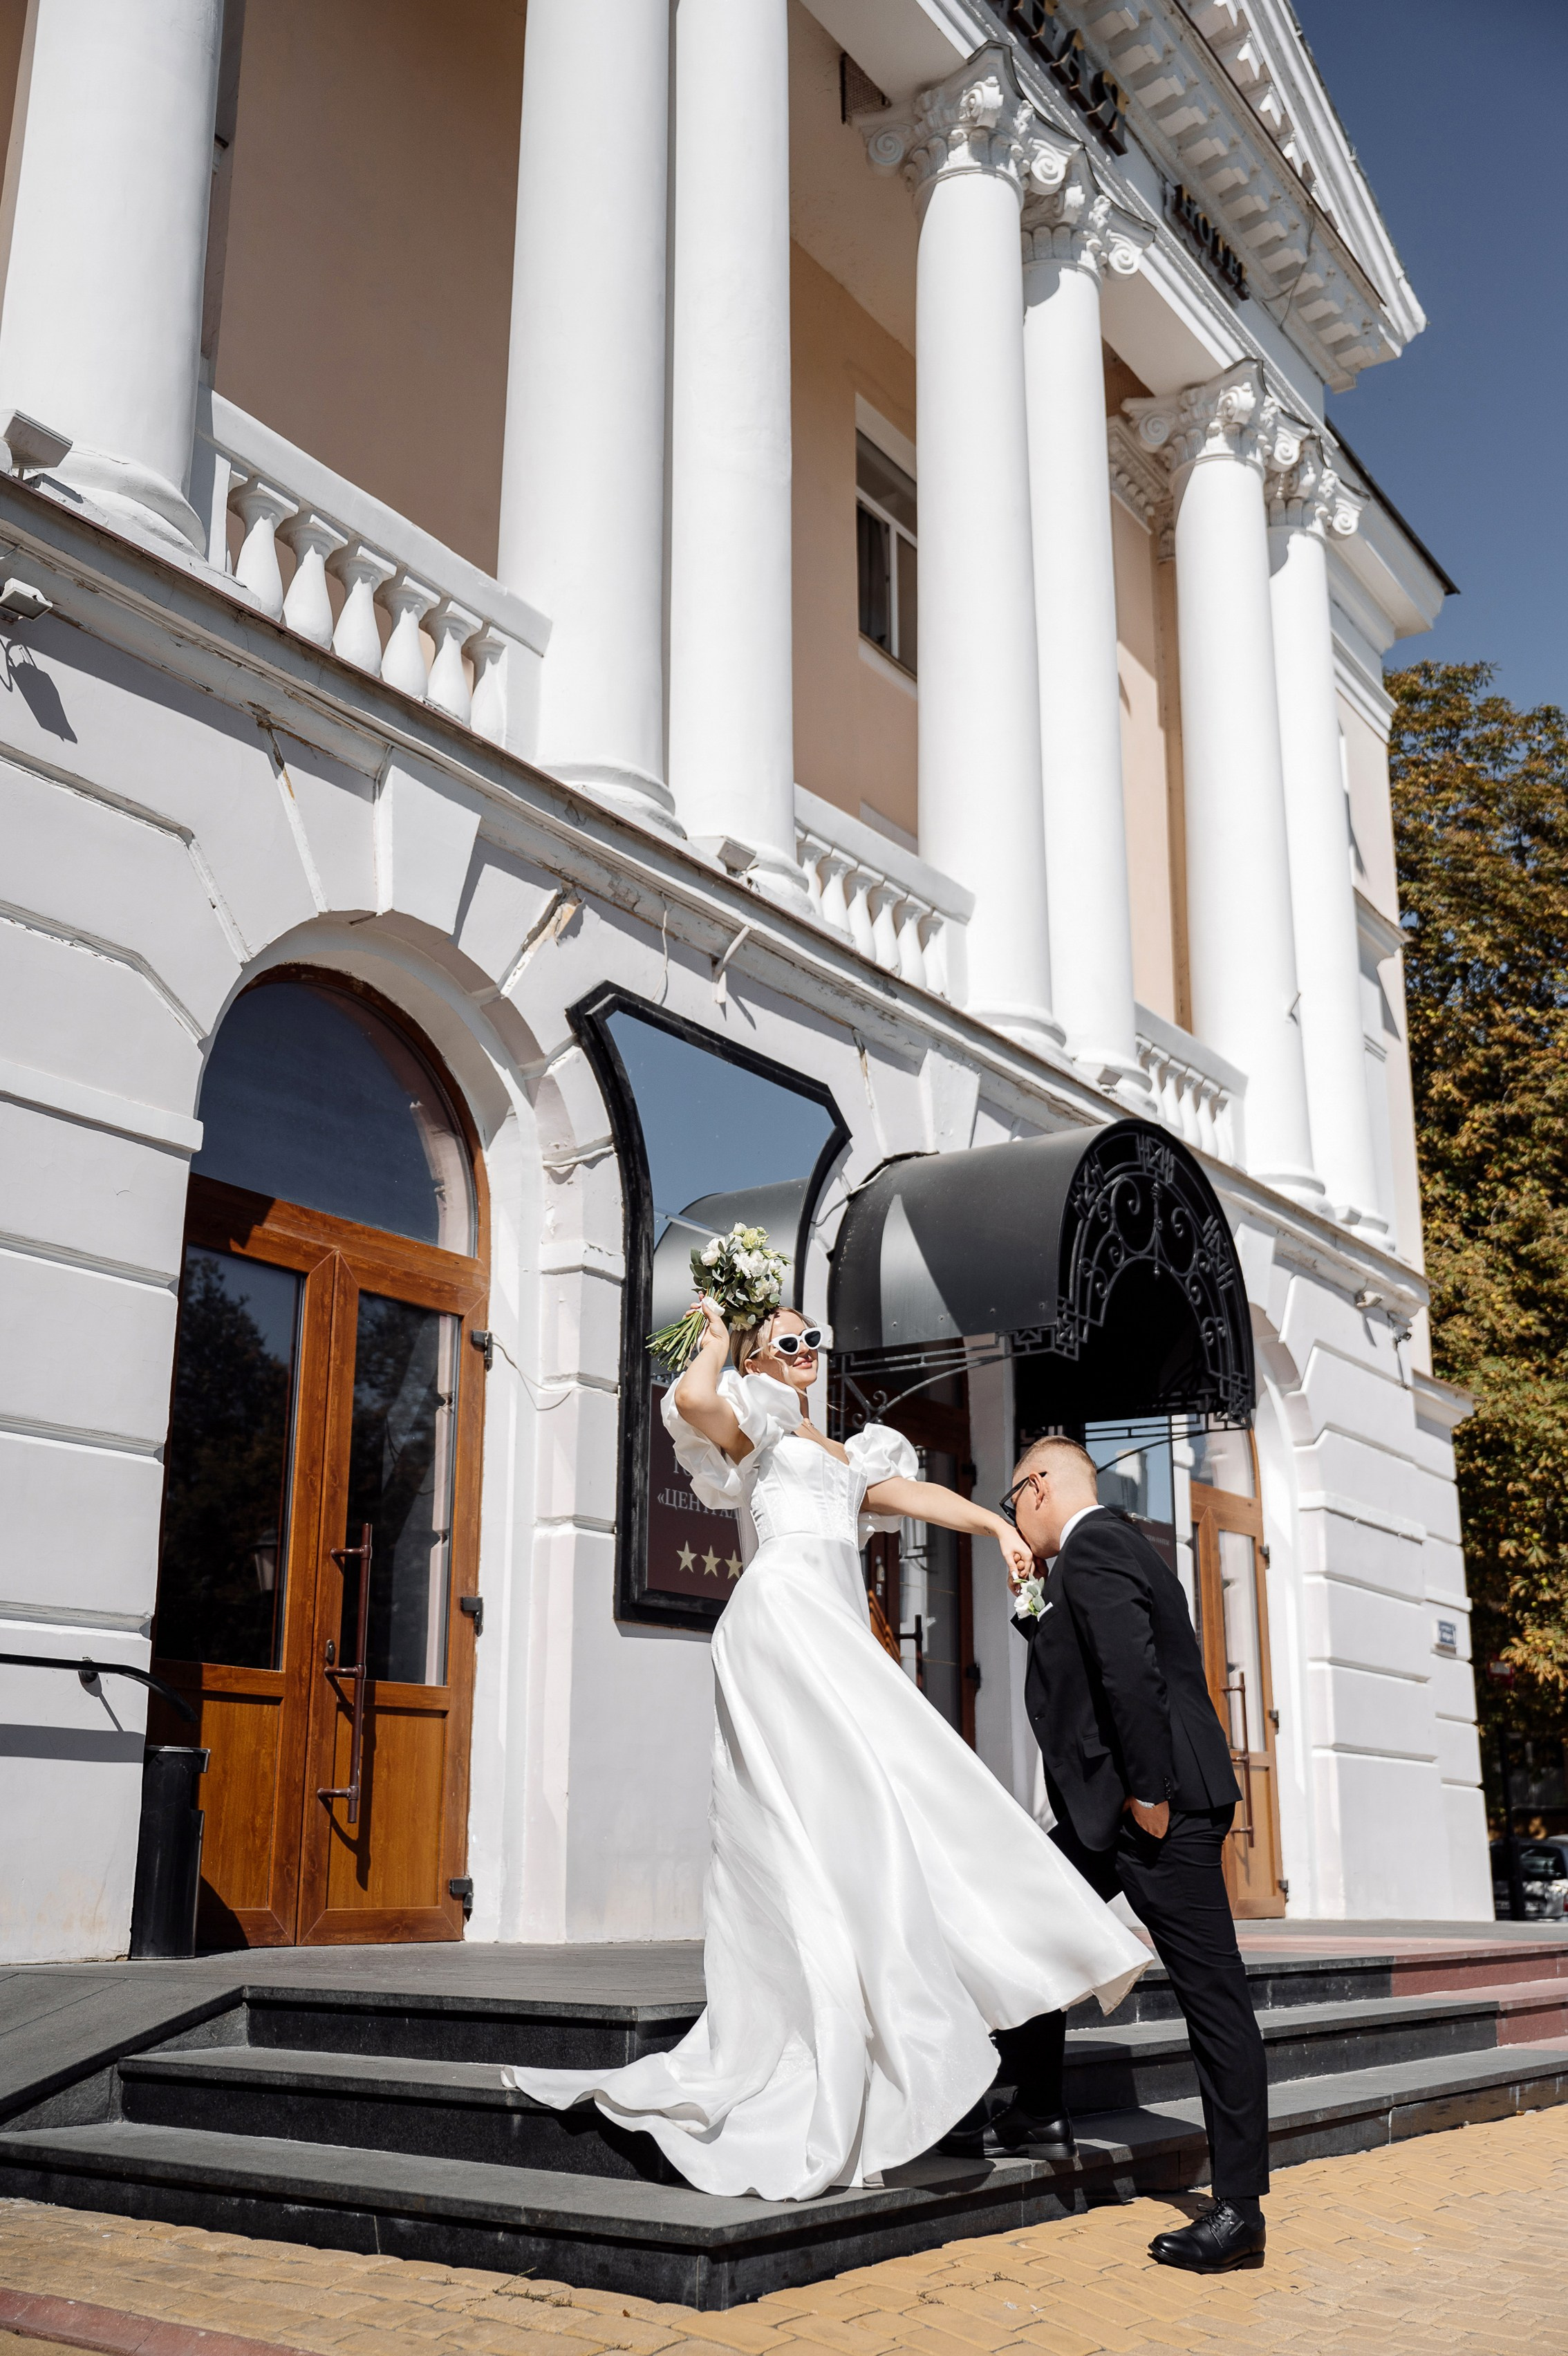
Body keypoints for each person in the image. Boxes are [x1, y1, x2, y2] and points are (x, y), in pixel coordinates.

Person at [503, 1304, 1148, 2201]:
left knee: (895, 1803)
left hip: (836, 1634)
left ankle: (932, 2002)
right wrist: (721, 1342)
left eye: (816, 1342)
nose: (809, 1353)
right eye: (792, 1342)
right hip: (780, 1624)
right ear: (767, 1358)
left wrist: (995, 1528)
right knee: (851, 1802)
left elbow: (913, 1496)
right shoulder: (753, 1421)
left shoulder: (853, 1453)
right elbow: (692, 1398)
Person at [994, 1434, 1269, 2274]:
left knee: (1212, 1995)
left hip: (1160, 1806)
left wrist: (1148, 1796)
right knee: (1030, 1917)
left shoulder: (1102, 1543)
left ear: (1038, 1487)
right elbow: (1084, 1665)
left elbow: (1130, 1676)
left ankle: (1239, 2213)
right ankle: (1036, 2105)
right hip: (1114, 1809)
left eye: (1013, 1503)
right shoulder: (1100, 1552)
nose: (1014, 1518)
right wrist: (1030, 1601)